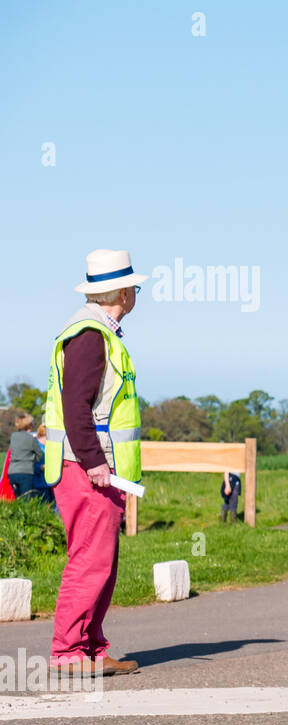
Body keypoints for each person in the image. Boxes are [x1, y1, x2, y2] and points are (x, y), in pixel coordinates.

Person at [43, 249, 147, 676]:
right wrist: (93, 462)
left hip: (92, 468)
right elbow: (76, 407)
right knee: (90, 560)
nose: (136, 295)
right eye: (135, 289)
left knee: (101, 560)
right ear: (123, 292)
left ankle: (91, 649)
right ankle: (69, 652)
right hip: (87, 468)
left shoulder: (95, 331)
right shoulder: (90, 335)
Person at [6, 412, 40, 498]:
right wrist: (32, 459)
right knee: (26, 499)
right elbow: (39, 454)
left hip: (12, 472)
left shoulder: (13, 436)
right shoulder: (31, 438)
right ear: (29, 425)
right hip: (26, 472)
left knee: (17, 498)